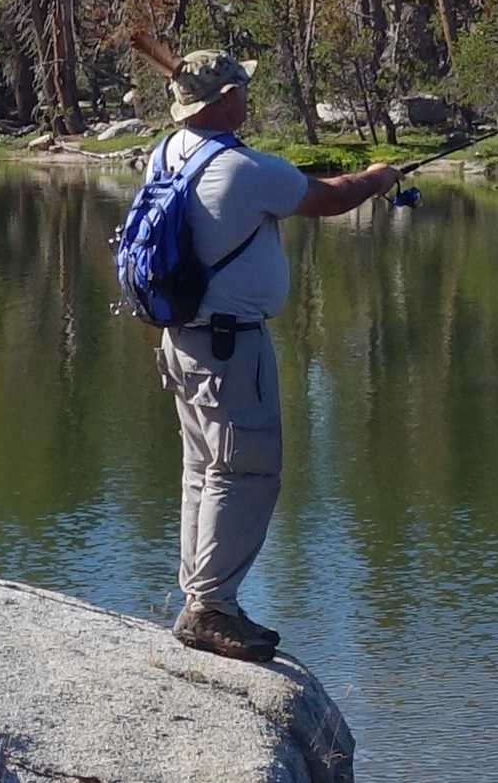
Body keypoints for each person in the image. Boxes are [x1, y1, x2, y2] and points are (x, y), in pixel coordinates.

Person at [135, 50, 399, 663]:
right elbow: (331, 197)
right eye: (242, 88)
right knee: (244, 473)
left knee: (204, 470)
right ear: (225, 98)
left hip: (184, 342)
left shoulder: (166, 154)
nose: (248, 97)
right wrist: (380, 176)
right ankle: (211, 608)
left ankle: (203, 596)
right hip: (231, 349)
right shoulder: (243, 169)